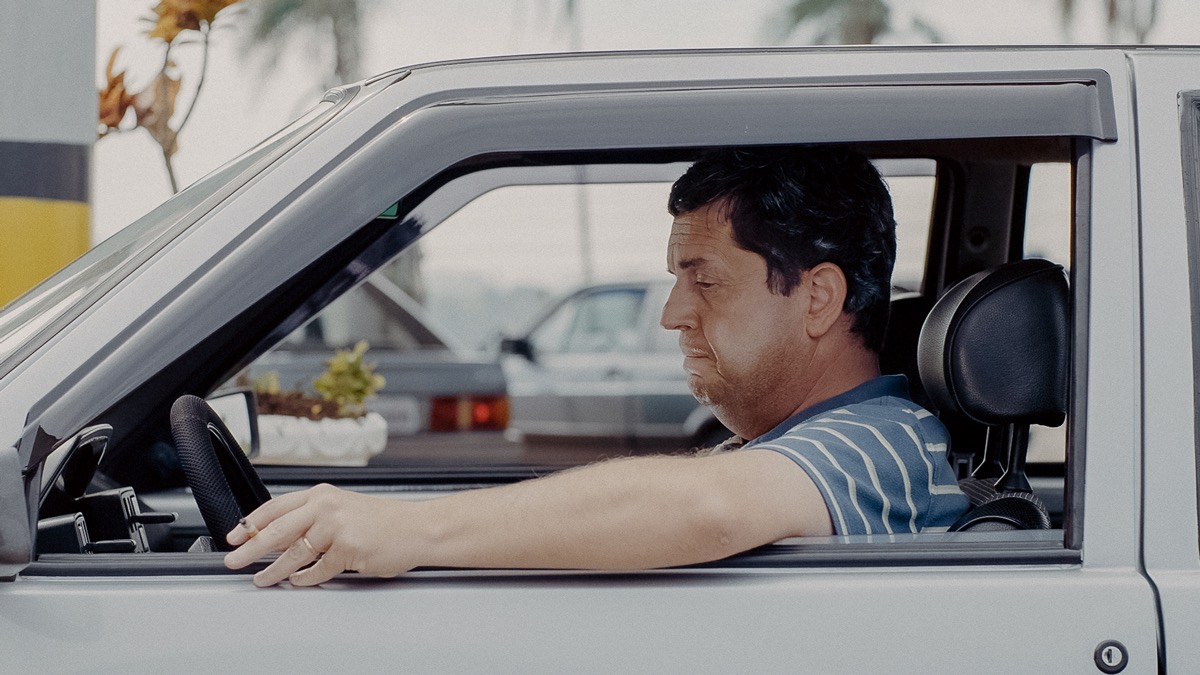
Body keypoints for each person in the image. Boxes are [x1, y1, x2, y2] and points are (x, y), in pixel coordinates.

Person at [224, 147, 968, 587]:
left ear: (818, 298)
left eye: (706, 281)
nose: (672, 314)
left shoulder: (886, 442)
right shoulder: (796, 445)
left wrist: (410, 530)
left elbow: (705, 508)